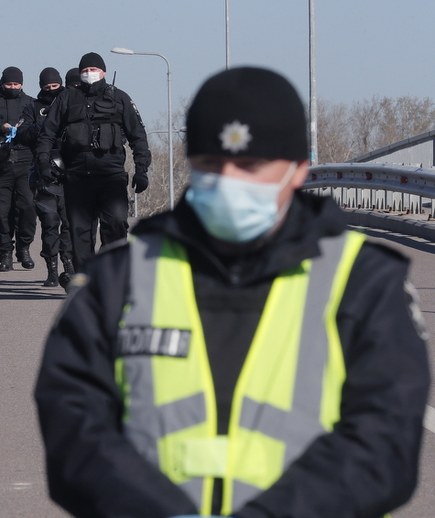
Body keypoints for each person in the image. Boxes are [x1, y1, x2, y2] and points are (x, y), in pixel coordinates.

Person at [34, 66, 430, 517]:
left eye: (251, 166)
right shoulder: (118, 280)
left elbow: (384, 443)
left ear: (299, 171)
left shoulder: (363, 282)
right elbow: (74, 429)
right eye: (212, 165)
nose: (230, 181)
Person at [36, 51, 151, 273]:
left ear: (103, 72)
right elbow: (47, 133)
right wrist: (43, 162)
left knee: (116, 225)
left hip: (111, 177)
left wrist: (142, 169)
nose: (89, 73)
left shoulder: (120, 98)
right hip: (77, 178)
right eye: (85, 70)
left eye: (93, 69)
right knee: (79, 233)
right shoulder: (66, 98)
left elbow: (138, 135)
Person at [0, 66, 37, 272]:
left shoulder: (30, 103)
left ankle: (24, 247)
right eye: (9, 84)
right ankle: (5, 252)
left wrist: (24, 131)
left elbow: (39, 129)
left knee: (27, 208)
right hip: (0, 163)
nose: (13, 87)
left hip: (25, 162)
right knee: (1, 212)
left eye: (16, 84)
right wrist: (0, 128)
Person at [22, 67, 74, 287]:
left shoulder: (71, 103)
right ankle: (52, 269)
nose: (52, 90)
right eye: (47, 87)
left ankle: (68, 264)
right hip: (44, 173)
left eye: (55, 86)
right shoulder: (33, 107)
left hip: (70, 173)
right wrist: (42, 126)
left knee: (69, 223)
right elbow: (23, 133)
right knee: (50, 222)